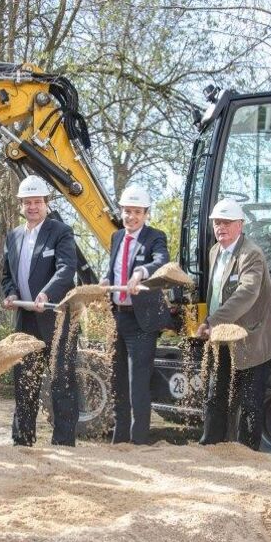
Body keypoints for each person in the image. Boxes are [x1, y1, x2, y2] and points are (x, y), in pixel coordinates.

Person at [195, 197, 271, 449]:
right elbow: (216, 293)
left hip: (253, 337)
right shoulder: (215, 251)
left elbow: (246, 294)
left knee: (248, 401)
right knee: (216, 393)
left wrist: (213, 321)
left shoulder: (251, 254)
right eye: (217, 222)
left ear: (240, 225)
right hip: (222, 335)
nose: (220, 227)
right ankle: (211, 446)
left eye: (227, 222)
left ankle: (247, 455)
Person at [1, 175, 77, 446]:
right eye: (27, 202)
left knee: (62, 381)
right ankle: (22, 440)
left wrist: (47, 293)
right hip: (25, 320)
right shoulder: (13, 236)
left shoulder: (60, 231)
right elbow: (7, 275)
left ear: (46, 203)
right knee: (24, 382)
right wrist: (10, 293)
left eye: (37, 202)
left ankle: (64, 442)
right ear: (20, 205)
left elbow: (66, 268)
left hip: (56, 319)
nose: (32, 206)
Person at [104, 185, 171, 445]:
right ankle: (119, 441)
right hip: (117, 316)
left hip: (141, 320)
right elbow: (114, 270)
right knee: (118, 380)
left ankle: (138, 441)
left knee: (137, 383)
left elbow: (161, 261)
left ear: (146, 214)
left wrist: (141, 273)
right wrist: (104, 279)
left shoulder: (155, 237)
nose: (131, 217)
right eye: (127, 211)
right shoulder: (117, 237)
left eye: (137, 212)